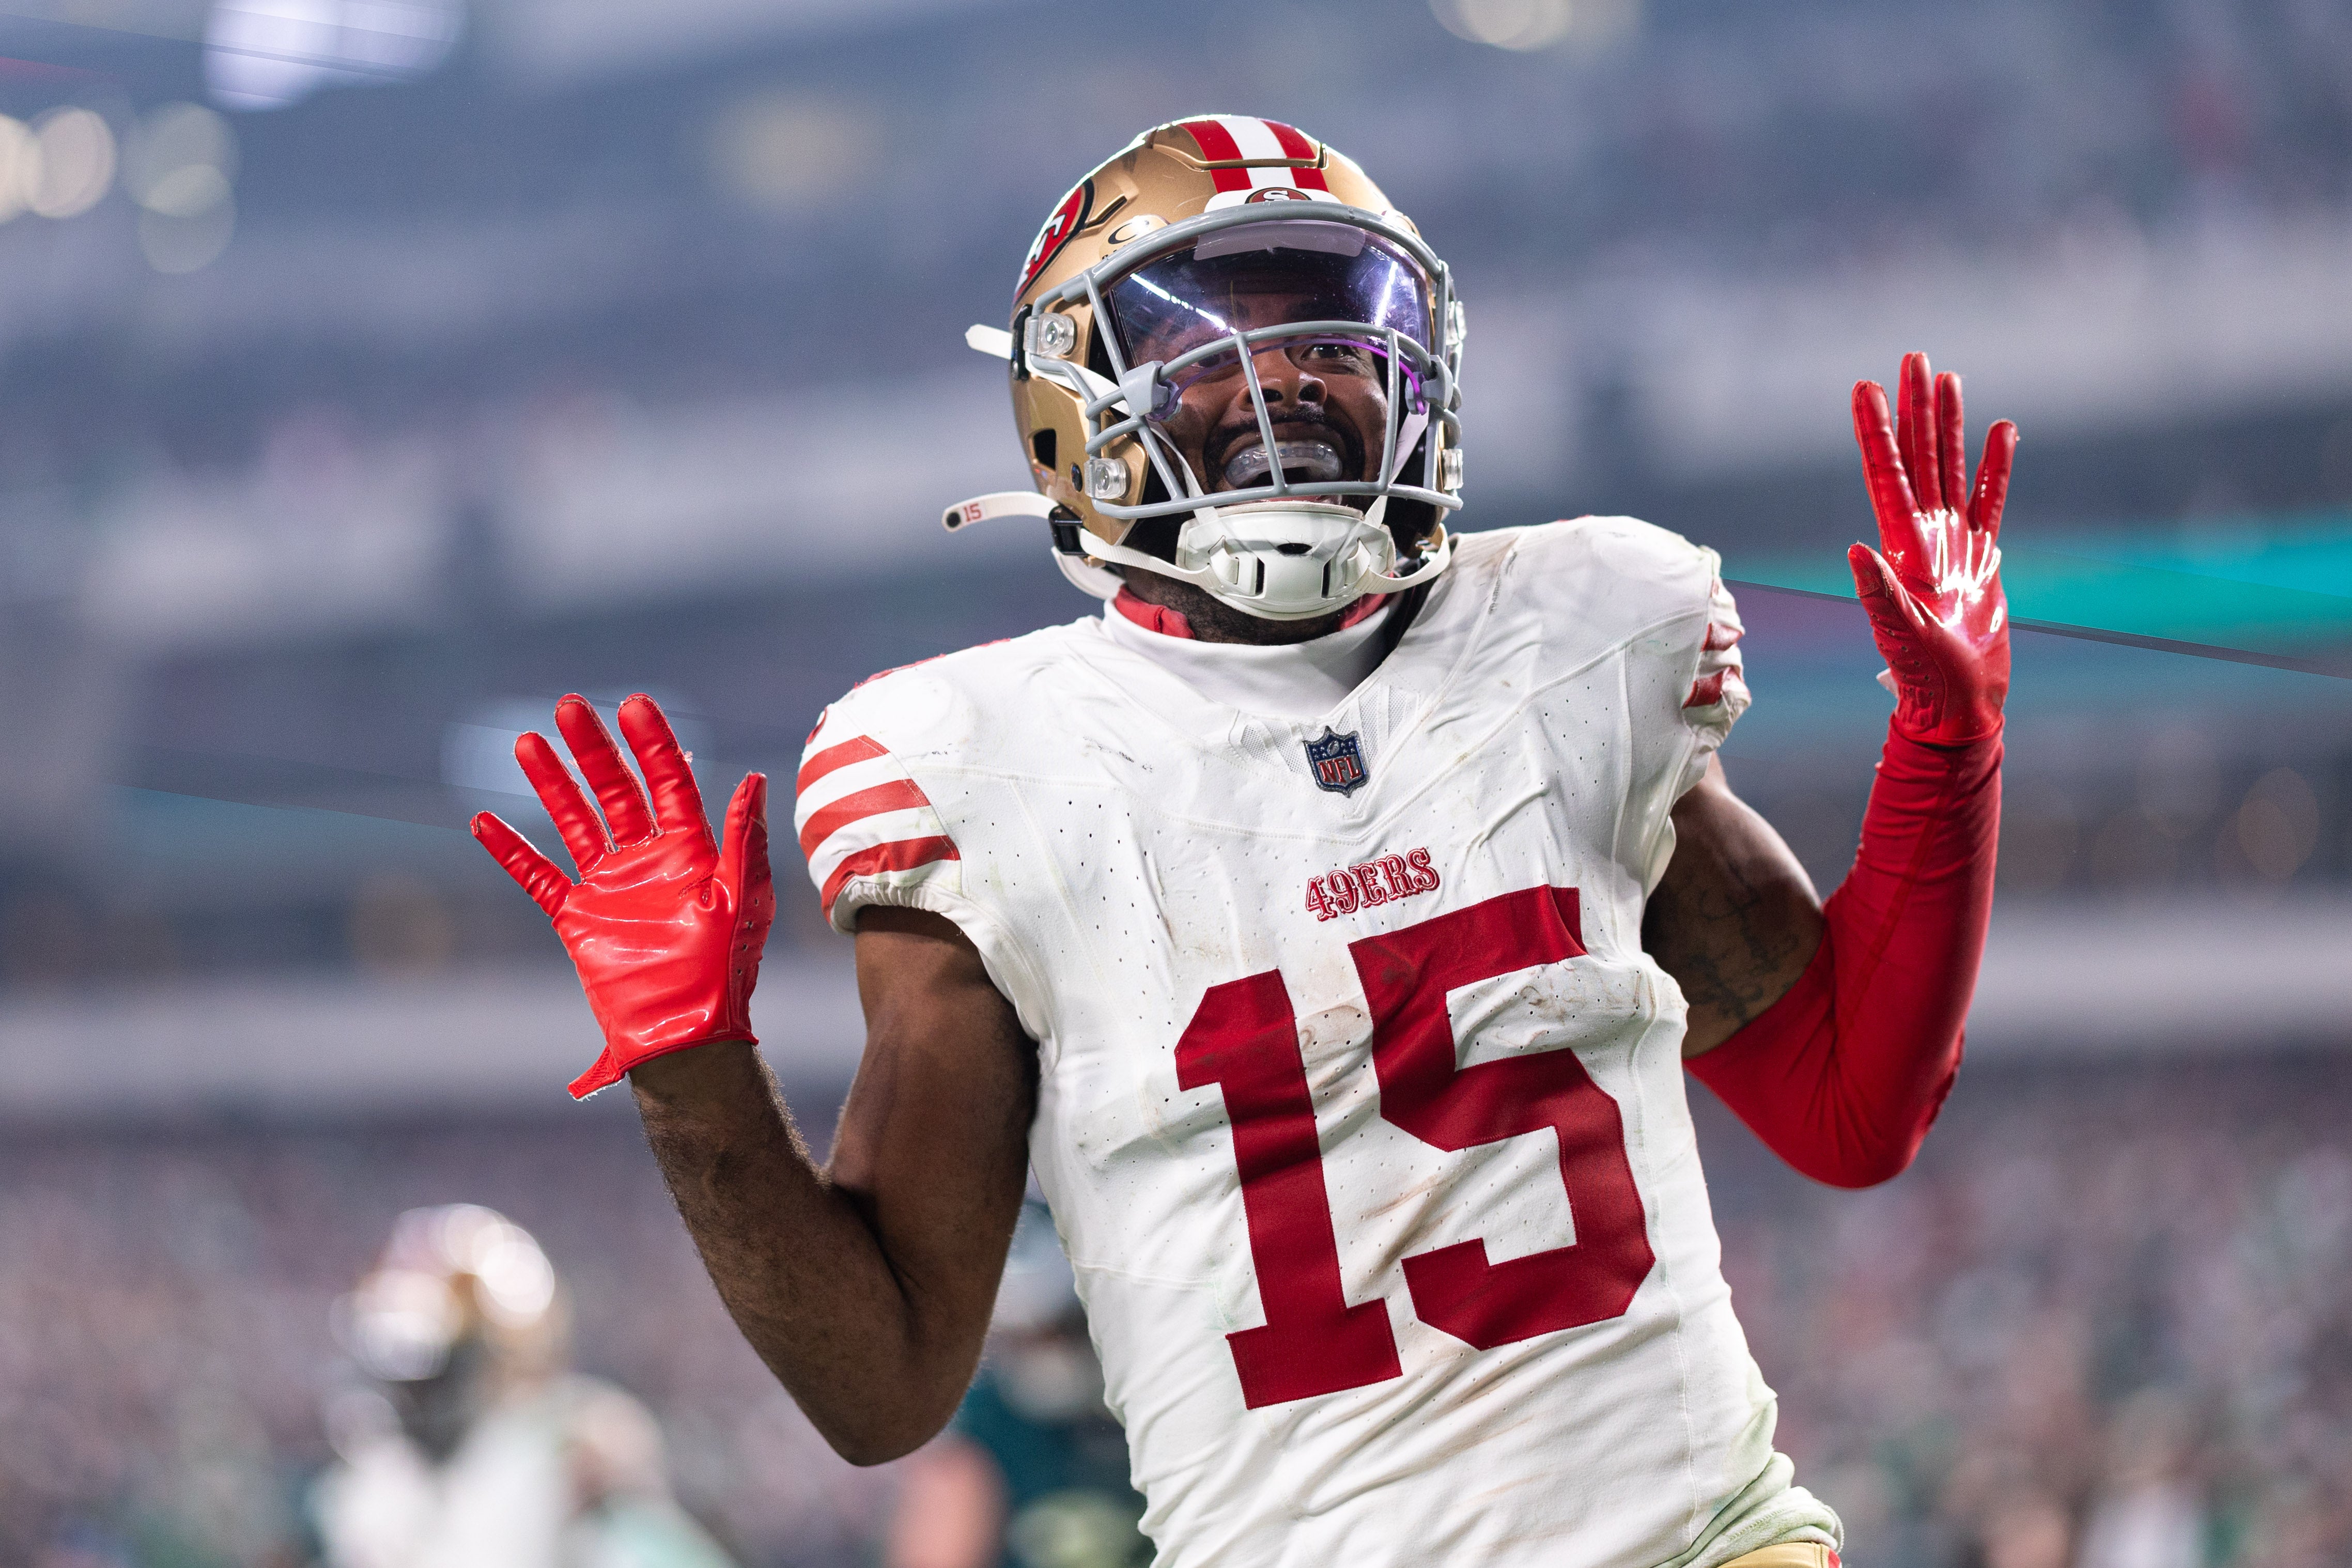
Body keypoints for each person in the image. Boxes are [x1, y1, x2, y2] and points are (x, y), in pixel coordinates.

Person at [472, 117, 2013, 1568]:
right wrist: (690, 1072)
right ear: (1076, 400)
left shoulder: (1570, 639)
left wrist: (1947, 759)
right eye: (1200, 342)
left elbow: (1843, 1111)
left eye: (1324, 332)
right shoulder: (974, 766)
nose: (1276, 379)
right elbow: (882, 1395)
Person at [312, 1204, 734, 1568]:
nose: (412, 1392)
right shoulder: (369, 1485)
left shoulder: (568, 1446)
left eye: (438, 1367)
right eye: (396, 1368)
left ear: (502, 1359)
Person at [886, 1201, 1150, 1568]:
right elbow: (936, 1556)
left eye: (1064, 1331)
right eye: (1033, 1338)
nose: (1053, 1355)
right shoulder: (977, 1427)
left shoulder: (1140, 1391)